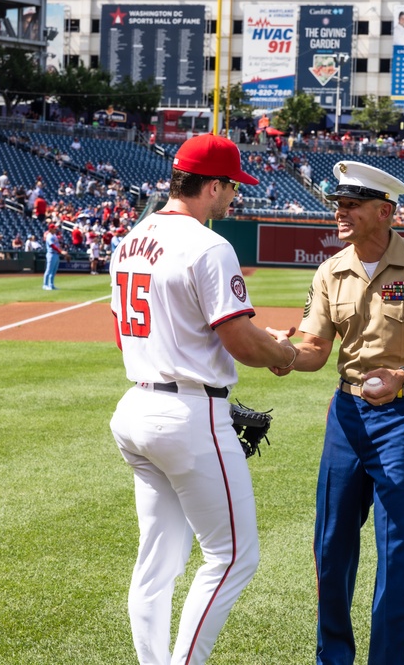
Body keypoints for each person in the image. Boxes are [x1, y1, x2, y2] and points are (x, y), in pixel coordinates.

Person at [270, 161, 404, 665]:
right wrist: (284, 355)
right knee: (332, 544)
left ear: (384, 212)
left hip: (402, 416)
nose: (341, 212)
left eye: (352, 205)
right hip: (346, 415)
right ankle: (333, 658)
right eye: (339, 204)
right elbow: (316, 349)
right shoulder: (329, 270)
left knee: (397, 546)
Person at [108, 133, 297, 665]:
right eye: (231, 187)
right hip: (187, 412)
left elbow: (123, 336)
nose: (234, 196)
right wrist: (283, 353)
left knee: (158, 559)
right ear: (211, 187)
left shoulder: (131, 238)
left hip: (137, 405)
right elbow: (240, 340)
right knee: (233, 555)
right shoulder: (208, 245)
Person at [43, 223, 66, 290]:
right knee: (48, 270)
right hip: (51, 254)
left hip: (56, 254)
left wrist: (62, 251)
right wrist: (61, 251)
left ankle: (51, 285)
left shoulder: (54, 235)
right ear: (50, 229)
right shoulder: (49, 236)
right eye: (54, 228)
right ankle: (45, 285)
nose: (55, 229)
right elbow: (52, 246)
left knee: (54, 271)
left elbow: (57, 245)